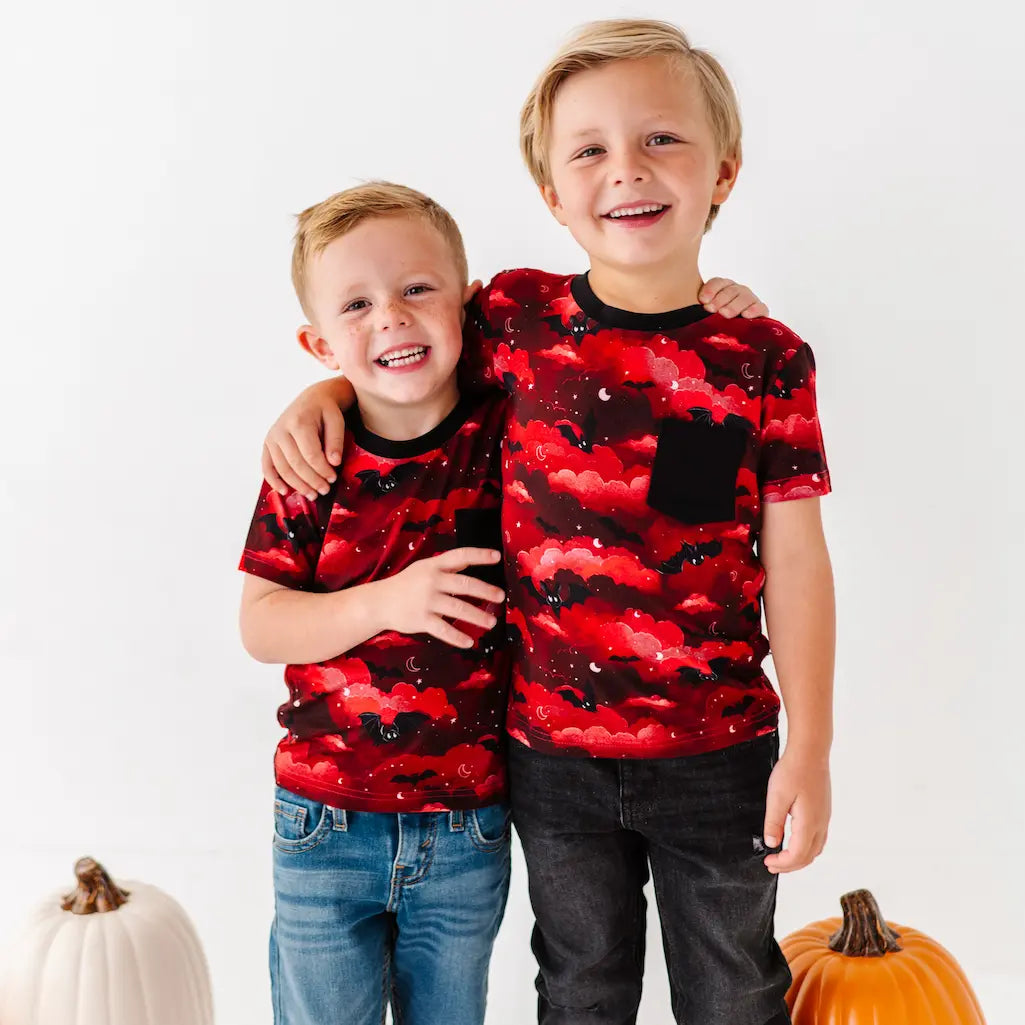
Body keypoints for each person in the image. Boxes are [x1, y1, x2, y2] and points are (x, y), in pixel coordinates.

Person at [261, 20, 833, 1025]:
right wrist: (319, 398)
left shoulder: (763, 360)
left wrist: (811, 744)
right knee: (578, 985)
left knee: (736, 986)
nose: (626, 170)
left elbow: (793, 561)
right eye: (589, 150)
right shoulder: (514, 321)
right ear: (553, 198)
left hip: (720, 748)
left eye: (660, 138)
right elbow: (403, 358)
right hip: (548, 754)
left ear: (722, 173)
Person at [238, 181, 515, 1025]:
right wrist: (390, 600)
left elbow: (608, 338)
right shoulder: (310, 463)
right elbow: (260, 622)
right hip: (326, 818)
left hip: (468, 821)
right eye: (356, 304)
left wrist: (722, 308)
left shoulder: (507, 429)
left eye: (416, 288)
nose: (390, 316)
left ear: (468, 305)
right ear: (317, 342)